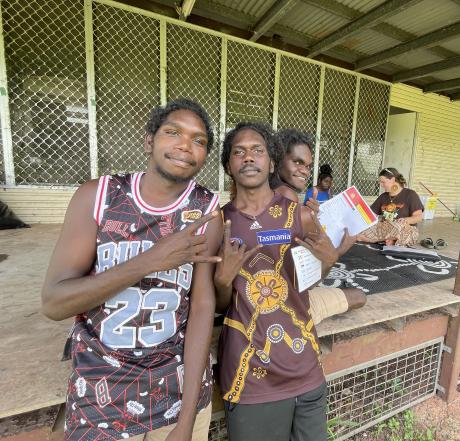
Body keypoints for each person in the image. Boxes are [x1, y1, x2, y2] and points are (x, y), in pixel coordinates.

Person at [41, 99, 223, 441]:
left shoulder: (206, 212)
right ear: (148, 140)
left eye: (199, 141)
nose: (186, 145)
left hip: (174, 395)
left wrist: (185, 422)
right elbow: (54, 302)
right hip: (100, 398)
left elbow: (201, 308)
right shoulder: (99, 196)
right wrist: (150, 261)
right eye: (173, 133)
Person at [214, 122, 339, 441]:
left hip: (305, 367)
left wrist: (329, 260)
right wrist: (224, 281)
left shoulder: (302, 216)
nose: (249, 158)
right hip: (251, 376)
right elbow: (219, 304)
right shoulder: (219, 223)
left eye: (258, 150)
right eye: (238, 152)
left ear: (271, 161)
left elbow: (306, 283)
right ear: (229, 164)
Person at [272, 128, 366, 325]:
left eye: (308, 165)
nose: (305, 171)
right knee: (359, 296)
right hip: (283, 307)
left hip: (259, 293)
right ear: (277, 160)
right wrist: (338, 251)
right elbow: (302, 281)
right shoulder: (286, 196)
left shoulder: (264, 191)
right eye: (297, 162)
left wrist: (306, 216)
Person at [358, 167, 423, 247]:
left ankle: (372, 239)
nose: (381, 185)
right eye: (380, 182)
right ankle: (390, 240)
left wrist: (405, 220)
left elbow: (419, 217)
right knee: (368, 226)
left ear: (392, 180)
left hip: (403, 229)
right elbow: (371, 215)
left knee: (398, 227)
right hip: (385, 229)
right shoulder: (383, 197)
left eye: (383, 182)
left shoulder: (410, 195)